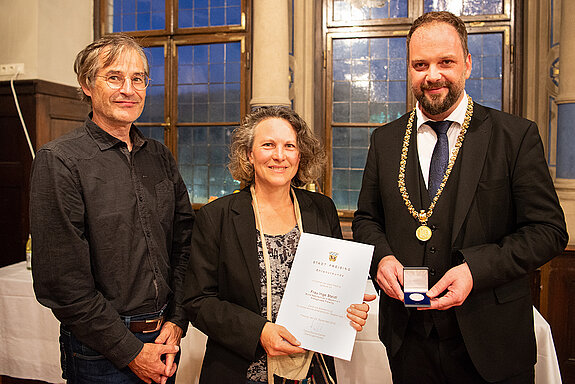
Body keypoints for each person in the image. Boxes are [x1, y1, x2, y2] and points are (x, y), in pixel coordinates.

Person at [352, 11, 568, 384]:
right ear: (409, 68)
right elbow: (367, 220)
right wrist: (382, 257)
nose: (432, 75)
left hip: (493, 341)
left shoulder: (514, 137)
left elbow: (548, 231)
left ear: (467, 64)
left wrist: (475, 270)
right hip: (408, 342)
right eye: (420, 64)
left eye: (445, 62)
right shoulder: (384, 140)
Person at [30, 34, 194, 384]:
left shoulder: (159, 156)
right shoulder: (60, 161)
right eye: (114, 77)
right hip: (100, 348)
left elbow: (185, 242)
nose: (128, 89)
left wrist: (178, 319)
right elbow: (61, 283)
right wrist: (131, 351)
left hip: (165, 335)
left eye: (138, 79)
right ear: (87, 84)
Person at [183, 106, 375, 384]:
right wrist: (258, 331)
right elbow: (198, 302)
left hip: (311, 371)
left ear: (300, 154)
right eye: (268, 145)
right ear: (249, 154)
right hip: (241, 372)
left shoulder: (321, 210)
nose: (279, 156)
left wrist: (349, 306)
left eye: (289, 146)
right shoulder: (217, 217)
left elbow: (335, 287)